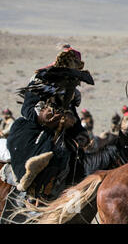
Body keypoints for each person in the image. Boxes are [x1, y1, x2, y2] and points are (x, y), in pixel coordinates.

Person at [6, 44, 93, 199]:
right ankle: (29, 183)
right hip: (34, 129)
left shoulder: (71, 91)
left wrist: (79, 132)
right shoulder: (41, 80)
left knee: (75, 155)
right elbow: (27, 108)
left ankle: (73, 199)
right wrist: (42, 117)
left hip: (60, 132)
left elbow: (72, 114)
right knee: (47, 150)